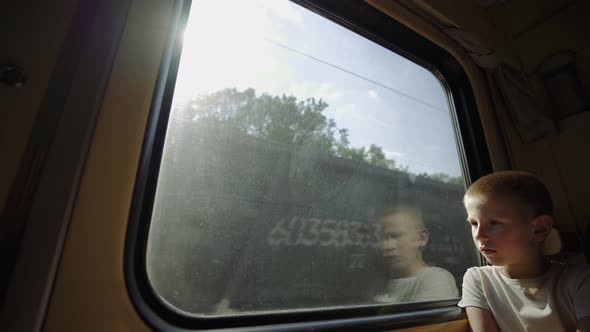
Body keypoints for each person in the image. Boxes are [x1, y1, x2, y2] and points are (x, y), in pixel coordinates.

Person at [458, 171, 590, 332]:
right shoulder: (479, 280)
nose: (479, 235)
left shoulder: (581, 280)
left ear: (539, 229)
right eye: (473, 223)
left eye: (494, 223)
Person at [374, 204, 458, 303]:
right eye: (382, 238)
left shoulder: (435, 279)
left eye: (396, 236)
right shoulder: (378, 283)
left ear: (421, 238)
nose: (386, 246)